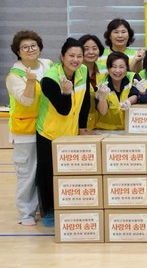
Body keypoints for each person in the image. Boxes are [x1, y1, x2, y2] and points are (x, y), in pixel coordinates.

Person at [36, 38, 93, 227]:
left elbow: (85, 101)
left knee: (69, 173)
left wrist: (82, 128)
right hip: (49, 133)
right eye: (71, 56)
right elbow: (63, 109)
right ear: (62, 57)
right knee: (48, 174)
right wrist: (66, 92)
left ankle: (69, 207)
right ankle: (49, 211)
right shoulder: (50, 79)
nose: (76, 60)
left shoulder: (83, 71)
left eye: (79, 56)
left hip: (71, 133)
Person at [5, 30, 53, 227]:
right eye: (24, 47)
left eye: (33, 45)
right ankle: (26, 213)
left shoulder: (48, 65)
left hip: (47, 128)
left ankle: (44, 208)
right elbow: (26, 100)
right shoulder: (14, 75)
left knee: (44, 172)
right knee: (27, 174)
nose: (30, 49)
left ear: (39, 47)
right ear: (18, 52)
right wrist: (31, 82)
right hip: (25, 132)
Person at [95, 52, 143, 130]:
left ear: (127, 68)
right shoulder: (101, 82)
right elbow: (102, 111)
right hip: (105, 129)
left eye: (121, 67)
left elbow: (136, 94)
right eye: (114, 67)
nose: (117, 71)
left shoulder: (133, 77)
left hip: (129, 128)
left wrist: (128, 101)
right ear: (108, 69)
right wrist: (102, 98)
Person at [78, 34, 106, 129]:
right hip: (77, 125)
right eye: (86, 49)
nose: (91, 52)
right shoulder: (73, 71)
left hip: (100, 124)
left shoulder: (105, 70)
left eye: (94, 48)